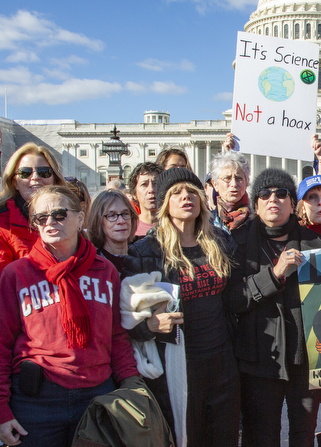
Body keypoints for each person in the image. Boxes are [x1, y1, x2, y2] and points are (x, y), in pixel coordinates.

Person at [0, 185, 139, 447]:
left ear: (80, 217)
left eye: (59, 214)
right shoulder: (17, 274)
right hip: (36, 400)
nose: (50, 222)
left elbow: (117, 337)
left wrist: (132, 385)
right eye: (41, 218)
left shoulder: (105, 271)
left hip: (97, 394)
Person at [122, 167, 238, 447]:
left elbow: (235, 299)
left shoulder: (221, 242)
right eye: (176, 193)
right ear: (164, 203)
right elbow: (125, 319)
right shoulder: (145, 252)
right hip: (177, 365)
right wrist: (147, 327)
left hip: (222, 361)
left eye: (191, 192)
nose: (186, 197)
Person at [227, 168, 321, 447]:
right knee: (261, 437)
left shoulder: (314, 243)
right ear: (256, 203)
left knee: (303, 436)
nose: (273, 198)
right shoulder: (238, 242)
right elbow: (233, 300)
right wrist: (274, 275)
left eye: (282, 193)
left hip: (305, 361)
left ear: (293, 204)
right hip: (259, 359)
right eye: (264, 194)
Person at [0, 143, 66, 383]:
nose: (35, 179)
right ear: (13, 180)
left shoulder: (71, 229)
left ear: (54, 178)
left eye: (44, 172)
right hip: (21, 362)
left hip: (67, 358)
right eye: (25, 173)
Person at [86, 189, 138, 271]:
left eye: (125, 214)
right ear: (98, 221)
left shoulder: (144, 255)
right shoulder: (92, 263)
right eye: (111, 215)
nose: (121, 221)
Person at [210, 151, 251, 233]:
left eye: (239, 178)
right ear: (215, 184)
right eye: (227, 178)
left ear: (246, 182)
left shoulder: (257, 221)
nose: (234, 184)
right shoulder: (206, 222)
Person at [129, 162, 163, 238]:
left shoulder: (176, 226)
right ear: (134, 194)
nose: (151, 190)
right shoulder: (128, 229)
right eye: (144, 184)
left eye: (156, 183)